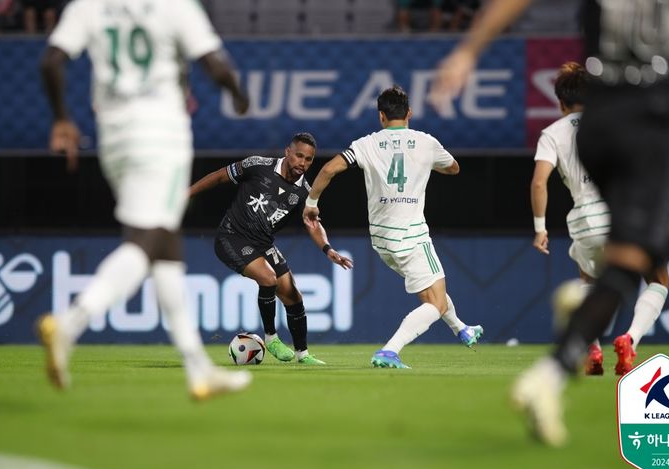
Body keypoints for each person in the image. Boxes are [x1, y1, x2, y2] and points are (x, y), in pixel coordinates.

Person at [430, 0, 669, 446]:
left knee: (629, 253)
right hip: (649, 125)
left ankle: (577, 323)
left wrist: (469, 50)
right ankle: (574, 358)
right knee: (650, 252)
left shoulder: (558, 128)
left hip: (602, 132)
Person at [37, 0, 253, 401]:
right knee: (148, 240)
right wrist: (238, 95)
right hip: (162, 135)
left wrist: (62, 118)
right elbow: (216, 65)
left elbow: (51, 61)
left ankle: (197, 368)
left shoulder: (89, 5)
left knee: (165, 249)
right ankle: (70, 323)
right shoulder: (175, 5)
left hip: (113, 136)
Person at [531, 62, 669, 377]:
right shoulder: (613, 122)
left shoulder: (552, 133)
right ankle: (630, 339)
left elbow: (539, 182)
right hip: (623, 214)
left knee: (588, 281)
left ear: (560, 102)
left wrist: (540, 228)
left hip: (584, 220)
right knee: (658, 279)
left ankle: (592, 349)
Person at [303, 85, 483, 369]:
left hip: (382, 240)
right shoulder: (426, 142)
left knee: (429, 291)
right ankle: (390, 350)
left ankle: (461, 328)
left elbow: (328, 170)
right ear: (409, 113)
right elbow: (453, 168)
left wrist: (311, 202)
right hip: (412, 235)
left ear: (381, 116)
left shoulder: (366, 144)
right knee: (435, 302)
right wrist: (426, 164)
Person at [189, 133, 353, 366]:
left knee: (294, 297)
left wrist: (328, 249)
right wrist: (186, 194)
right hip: (231, 237)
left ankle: (303, 355)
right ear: (287, 151)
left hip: (263, 244)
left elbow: (313, 224)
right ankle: (271, 338)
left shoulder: (304, 193)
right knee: (268, 278)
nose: (302, 163)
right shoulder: (257, 165)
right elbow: (217, 178)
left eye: (308, 159)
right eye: (299, 156)